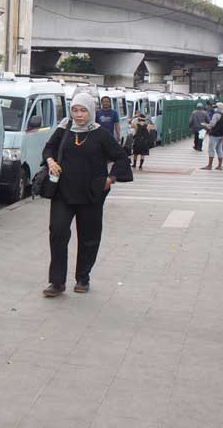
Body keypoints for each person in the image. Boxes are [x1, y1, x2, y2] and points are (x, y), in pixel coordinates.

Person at [41, 93, 133, 297]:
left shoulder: (100, 134)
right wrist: (50, 161)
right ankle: (57, 282)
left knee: (89, 237)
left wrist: (110, 179)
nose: (79, 115)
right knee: (58, 232)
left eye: (83, 110)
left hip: (91, 194)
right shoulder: (64, 128)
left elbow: (121, 158)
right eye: (75, 110)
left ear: (91, 111)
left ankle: (83, 277)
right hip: (63, 193)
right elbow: (49, 148)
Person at [201, 102, 223, 170]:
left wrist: (205, 125)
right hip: (221, 135)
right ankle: (219, 165)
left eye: (216, 107)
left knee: (211, 149)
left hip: (215, 134)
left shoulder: (216, 114)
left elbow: (212, 124)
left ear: (218, 108)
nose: (215, 108)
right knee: (219, 149)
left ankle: (209, 165)